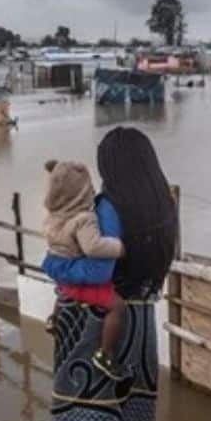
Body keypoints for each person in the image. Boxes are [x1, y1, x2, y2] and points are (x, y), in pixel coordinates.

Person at [43, 127, 177, 421]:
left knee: (97, 402)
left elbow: (94, 268)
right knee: (137, 399)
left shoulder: (105, 208)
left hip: (102, 318)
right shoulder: (165, 206)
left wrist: (53, 266)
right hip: (143, 315)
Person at [42, 159, 127, 379]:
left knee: (61, 289)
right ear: (81, 194)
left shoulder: (54, 216)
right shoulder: (84, 219)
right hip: (78, 281)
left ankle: (53, 318)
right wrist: (119, 248)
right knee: (117, 307)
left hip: (61, 273)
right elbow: (93, 247)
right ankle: (105, 354)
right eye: (89, 189)